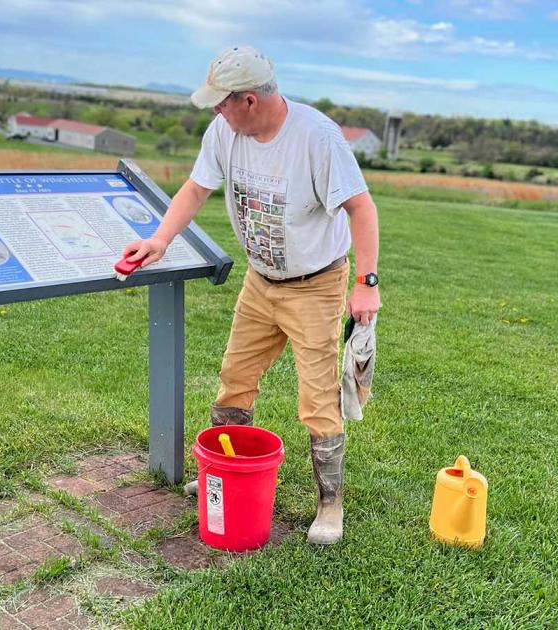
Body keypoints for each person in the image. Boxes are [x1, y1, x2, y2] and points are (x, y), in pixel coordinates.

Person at [123, 45, 380, 545]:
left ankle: (330, 507)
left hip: (315, 285)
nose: (215, 111)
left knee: (317, 398)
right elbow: (196, 189)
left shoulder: (317, 138)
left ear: (249, 100)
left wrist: (365, 283)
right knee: (235, 378)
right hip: (260, 282)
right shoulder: (224, 131)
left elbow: (362, 209)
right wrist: (158, 240)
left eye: (222, 102)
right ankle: (225, 470)